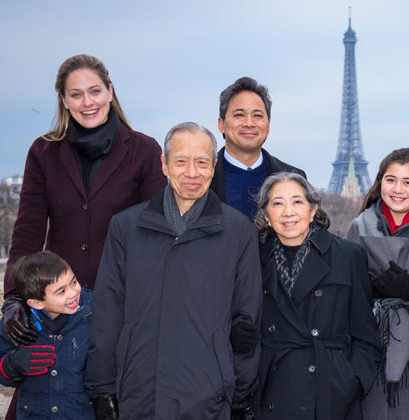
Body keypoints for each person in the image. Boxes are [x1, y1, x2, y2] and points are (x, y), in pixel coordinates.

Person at [0, 54, 167, 419]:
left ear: (110, 90)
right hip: (59, 307)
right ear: (63, 100)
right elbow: (27, 230)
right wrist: (14, 297)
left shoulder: (144, 150)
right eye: (76, 95)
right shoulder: (43, 151)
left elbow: (156, 235)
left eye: (94, 91)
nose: (87, 102)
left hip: (118, 305)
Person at [84, 122, 262, 419]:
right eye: (181, 161)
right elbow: (107, 314)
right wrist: (102, 388)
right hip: (138, 392)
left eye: (202, 162)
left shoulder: (239, 231)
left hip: (209, 394)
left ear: (214, 166)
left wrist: (239, 391)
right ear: (164, 165)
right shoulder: (125, 227)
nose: (192, 173)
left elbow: (247, 320)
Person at [253, 172, 382, 420]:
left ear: (313, 211)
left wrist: (350, 380)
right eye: (277, 203)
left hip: (330, 391)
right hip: (271, 389)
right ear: (267, 216)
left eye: (297, 202)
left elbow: (366, 335)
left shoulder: (348, 255)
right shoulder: (252, 258)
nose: (288, 212)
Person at [345, 148, 409, 420]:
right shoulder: (360, 226)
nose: (397, 189)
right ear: (380, 182)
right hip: (371, 350)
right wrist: (369, 290)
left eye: (408, 182)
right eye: (391, 180)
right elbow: (345, 292)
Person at [0, 251, 93, 419]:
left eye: (74, 281)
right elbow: (0, 374)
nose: (74, 292)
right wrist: (13, 363)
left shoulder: (95, 312)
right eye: (61, 291)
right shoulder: (17, 324)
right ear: (36, 303)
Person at [209, 76, 306, 217]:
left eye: (258, 116)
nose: (249, 123)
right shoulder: (202, 178)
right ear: (221, 124)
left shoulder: (295, 177)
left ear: (268, 125)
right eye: (239, 115)